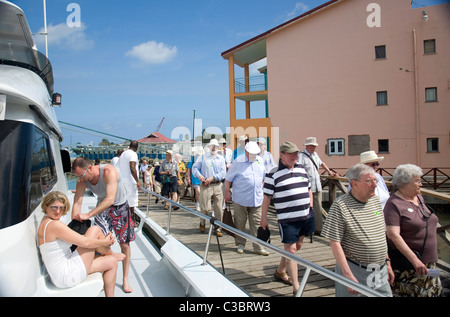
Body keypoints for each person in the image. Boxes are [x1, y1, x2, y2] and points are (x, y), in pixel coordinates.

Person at [321, 163, 394, 297]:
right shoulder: (340, 206)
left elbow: (380, 234)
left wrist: (387, 262)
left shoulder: (375, 201)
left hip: (379, 270)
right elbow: (334, 243)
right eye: (369, 181)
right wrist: (347, 276)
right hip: (355, 270)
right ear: (354, 184)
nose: (375, 185)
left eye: (375, 180)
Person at [38, 191, 125, 297]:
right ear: (46, 206)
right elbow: (86, 243)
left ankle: (110, 255)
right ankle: (110, 253)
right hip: (66, 275)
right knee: (95, 230)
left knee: (111, 262)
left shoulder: (45, 221)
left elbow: (80, 239)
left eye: (61, 208)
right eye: (54, 207)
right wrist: (105, 242)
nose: (58, 211)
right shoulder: (54, 225)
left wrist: (102, 242)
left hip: (59, 274)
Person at [72, 157, 135, 293]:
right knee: (100, 243)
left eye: (81, 175)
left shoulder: (108, 171)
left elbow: (110, 199)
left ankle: (125, 279)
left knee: (124, 244)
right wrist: (75, 223)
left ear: (90, 168)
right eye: (77, 176)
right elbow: (77, 202)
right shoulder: (82, 180)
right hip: (102, 207)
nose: (80, 179)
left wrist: (88, 215)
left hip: (119, 206)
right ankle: (105, 273)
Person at [260, 141, 314, 296]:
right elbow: (267, 198)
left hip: (305, 216)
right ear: (282, 155)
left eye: (296, 153)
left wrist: (310, 206)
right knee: (291, 252)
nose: (295, 156)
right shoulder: (273, 173)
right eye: (291, 154)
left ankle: (280, 271)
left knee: (298, 246)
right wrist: (263, 218)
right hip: (287, 219)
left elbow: (309, 189)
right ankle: (297, 287)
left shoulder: (301, 169)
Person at [384, 164, 442, 297]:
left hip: (429, 263)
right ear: (404, 183)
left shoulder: (419, 198)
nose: (421, 184)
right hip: (409, 266)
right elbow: (393, 234)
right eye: (417, 181)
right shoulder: (394, 204)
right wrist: (414, 260)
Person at [225, 141, 269, 256]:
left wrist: (262, 187)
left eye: (256, 153)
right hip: (241, 198)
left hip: (257, 198)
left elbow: (264, 177)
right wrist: (227, 192)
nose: (254, 156)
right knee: (240, 222)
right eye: (251, 154)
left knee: (257, 223)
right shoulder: (237, 162)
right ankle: (240, 243)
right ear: (246, 152)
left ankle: (258, 246)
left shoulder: (260, 161)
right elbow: (228, 179)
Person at [298, 137, 337, 235]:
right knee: (306, 208)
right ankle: (306, 229)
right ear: (307, 146)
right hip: (306, 187)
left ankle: (319, 229)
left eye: (314, 145)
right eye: (311, 145)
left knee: (318, 207)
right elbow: (298, 169)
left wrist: (329, 172)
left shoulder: (315, 155)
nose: (313, 147)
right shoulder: (301, 156)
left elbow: (322, 163)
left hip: (317, 186)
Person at [192, 139, 227, 235]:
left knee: (219, 208)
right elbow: (194, 168)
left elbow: (223, 173)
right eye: (212, 146)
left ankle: (218, 227)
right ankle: (202, 222)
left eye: (215, 146)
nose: (214, 148)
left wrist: (213, 178)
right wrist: (199, 176)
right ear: (209, 147)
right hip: (205, 185)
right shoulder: (203, 157)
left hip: (218, 184)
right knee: (205, 208)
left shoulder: (221, 158)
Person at [118, 141, 141, 221]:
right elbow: (132, 167)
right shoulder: (133, 154)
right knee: (132, 203)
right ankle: (132, 221)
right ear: (136, 148)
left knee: (124, 201)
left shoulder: (123, 154)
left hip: (122, 181)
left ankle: (124, 219)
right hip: (130, 182)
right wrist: (137, 181)